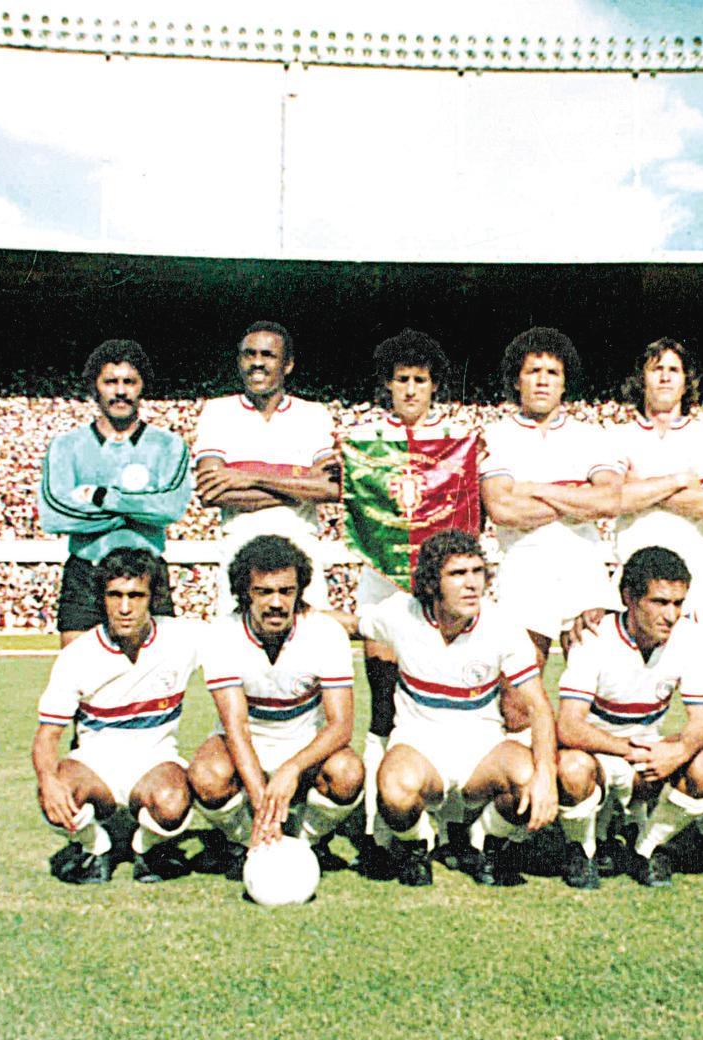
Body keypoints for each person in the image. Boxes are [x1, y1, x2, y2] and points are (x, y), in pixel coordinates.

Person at [348, 529, 558, 887]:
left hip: (483, 749)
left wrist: (547, 776)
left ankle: (483, 840)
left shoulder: (502, 625)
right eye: (457, 574)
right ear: (432, 582)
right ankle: (419, 843)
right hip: (419, 745)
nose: (472, 584)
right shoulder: (401, 613)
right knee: (395, 792)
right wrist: (300, 614)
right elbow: (354, 625)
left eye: (477, 572)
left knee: (527, 780)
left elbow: (538, 706)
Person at [345, 328, 473, 855]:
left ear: (434, 384)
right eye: (402, 380)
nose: (411, 389)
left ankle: (453, 815)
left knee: (445, 698)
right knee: (384, 705)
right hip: (384, 578)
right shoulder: (366, 439)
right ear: (388, 385)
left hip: (437, 585)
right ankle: (379, 822)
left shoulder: (457, 437)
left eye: (420, 380)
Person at [186, 535, 363, 875]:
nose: (277, 603)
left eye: (286, 591)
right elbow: (236, 728)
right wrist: (261, 803)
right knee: (207, 776)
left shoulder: (325, 632)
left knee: (348, 773)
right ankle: (245, 840)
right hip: (246, 741)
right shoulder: (222, 634)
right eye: (263, 592)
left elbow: (340, 726)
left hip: (304, 743)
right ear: (245, 593)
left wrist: (291, 768)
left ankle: (307, 840)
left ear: (300, 591)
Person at [31, 547, 206, 884]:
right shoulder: (77, 655)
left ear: (152, 598)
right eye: (115, 595)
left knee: (172, 802)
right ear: (102, 598)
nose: (125, 608)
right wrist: (48, 781)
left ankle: (145, 848)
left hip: (155, 762)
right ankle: (97, 847)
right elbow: (47, 735)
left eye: (136, 595)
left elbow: (242, 637)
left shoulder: (183, 638)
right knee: (55, 790)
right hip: (94, 766)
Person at [555, 547, 703, 890]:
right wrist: (629, 750)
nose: (671, 615)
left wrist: (677, 751)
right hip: (597, 752)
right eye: (659, 602)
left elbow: (702, 722)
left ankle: (648, 848)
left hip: (646, 752)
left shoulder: (691, 637)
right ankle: (582, 850)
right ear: (629, 597)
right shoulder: (594, 635)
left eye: (678, 603)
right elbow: (569, 726)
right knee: (572, 769)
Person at [479, 327, 623, 669]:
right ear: (517, 381)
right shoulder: (496, 434)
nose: (542, 381)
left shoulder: (590, 435)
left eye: (552, 373)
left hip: (584, 567)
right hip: (523, 567)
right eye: (533, 371)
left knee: (592, 683)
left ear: (564, 382)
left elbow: (608, 500)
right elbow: (502, 508)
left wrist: (535, 488)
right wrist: (577, 495)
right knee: (519, 688)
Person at [38, 340, 191, 646]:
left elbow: (170, 508)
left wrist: (102, 498)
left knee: (157, 668)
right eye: (110, 382)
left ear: (142, 387)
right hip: (87, 568)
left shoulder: (169, 446)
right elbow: (54, 515)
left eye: (129, 382)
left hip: (147, 569)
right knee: (79, 667)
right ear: (95, 387)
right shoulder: (65, 446)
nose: (120, 391)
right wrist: (135, 512)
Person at [191, 321, 339, 614]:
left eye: (268, 355)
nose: (257, 363)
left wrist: (249, 478)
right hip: (240, 545)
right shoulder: (218, 412)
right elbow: (211, 492)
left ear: (287, 364)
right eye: (249, 354)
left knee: (310, 632)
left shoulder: (314, 415)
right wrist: (300, 485)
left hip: (301, 544)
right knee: (236, 636)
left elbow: (331, 489)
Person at [612, 338, 703, 615]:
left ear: (686, 382)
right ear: (642, 379)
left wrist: (641, 488)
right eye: (657, 369)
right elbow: (615, 500)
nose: (665, 377)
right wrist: (679, 482)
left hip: (697, 575)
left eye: (673, 370)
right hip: (634, 573)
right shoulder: (618, 435)